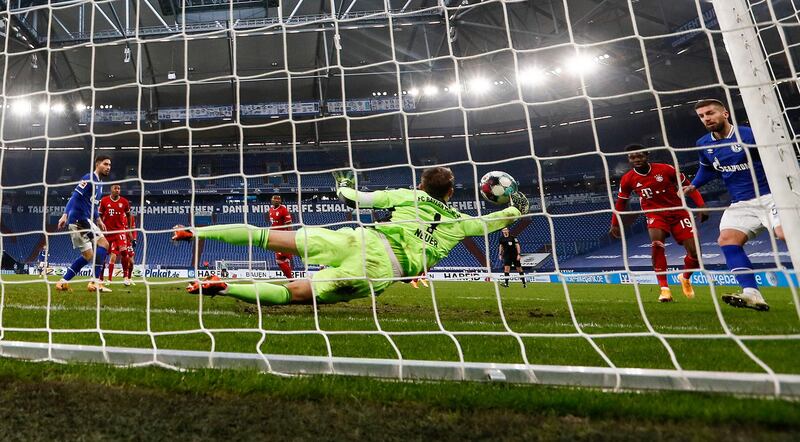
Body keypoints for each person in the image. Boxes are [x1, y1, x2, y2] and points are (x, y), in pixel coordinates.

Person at [173, 167, 529, 306]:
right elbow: (498, 220)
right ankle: (225, 287)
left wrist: (344, 186)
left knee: (267, 237)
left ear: (422, 184)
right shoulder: (461, 224)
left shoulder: (406, 195)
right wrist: (515, 206)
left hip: (360, 238)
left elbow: (355, 199)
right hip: (381, 267)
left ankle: (196, 230)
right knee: (296, 293)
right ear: (451, 194)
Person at [684, 98, 785, 311]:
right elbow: (708, 169)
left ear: (725, 114)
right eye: (702, 116)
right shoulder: (704, 143)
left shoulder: (749, 134)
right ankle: (752, 294)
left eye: (710, 113)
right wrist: (694, 186)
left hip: (771, 195)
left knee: (786, 233)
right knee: (727, 239)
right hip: (741, 202)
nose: (706, 118)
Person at [610, 144, 709, 302]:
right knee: (657, 244)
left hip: (679, 211)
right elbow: (621, 203)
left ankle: (685, 277)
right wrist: (615, 223)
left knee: (695, 253)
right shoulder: (628, 179)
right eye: (632, 157)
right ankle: (664, 289)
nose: (636, 159)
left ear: (647, 155)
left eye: (640, 156)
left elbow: (689, 186)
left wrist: (701, 206)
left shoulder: (665, 169)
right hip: (655, 213)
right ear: (628, 159)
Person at [55, 155, 112, 293]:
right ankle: (95, 282)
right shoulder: (89, 178)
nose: (108, 167)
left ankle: (62, 282)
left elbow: (93, 205)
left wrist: (98, 220)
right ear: (97, 164)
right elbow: (75, 196)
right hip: (78, 220)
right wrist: (65, 214)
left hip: (85, 220)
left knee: (89, 256)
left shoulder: (100, 184)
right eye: (105, 164)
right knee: (103, 244)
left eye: (110, 165)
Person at [98, 184, 134, 286]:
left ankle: (126, 277)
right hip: (107, 232)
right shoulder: (104, 200)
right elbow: (100, 214)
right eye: (115, 188)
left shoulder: (124, 202)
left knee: (124, 251)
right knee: (103, 254)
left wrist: (130, 230)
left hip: (119, 231)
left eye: (119, 188)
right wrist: (100, 224)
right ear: (111, 189)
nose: (117, 190)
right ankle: (101, 278)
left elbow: (128, 215)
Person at [269, 195, 294, 279]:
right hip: (275, 236)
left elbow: (289, 223)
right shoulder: (271, 210)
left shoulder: (283, 209)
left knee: (281, 259)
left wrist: (290, 235)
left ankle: (291, 279)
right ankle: (291, 279)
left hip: (283, 237)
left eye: (277, 200)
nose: (275, 201)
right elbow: (274, 223)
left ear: (280, 201)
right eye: (274, 199)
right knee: (281, 260)